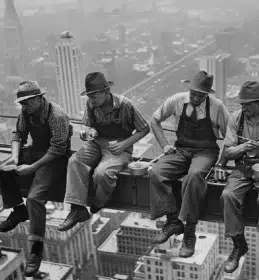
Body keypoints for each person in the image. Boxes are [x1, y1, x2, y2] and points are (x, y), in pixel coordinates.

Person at [149, 70, 230, 258]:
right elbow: (154, 120)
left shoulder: (217, 107)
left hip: (206, 151)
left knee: (194, 177)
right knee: (156, 172)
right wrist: (164, 145)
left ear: (207, 94)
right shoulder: (177, 100)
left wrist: (222, 163)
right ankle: (172, 221)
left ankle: (190, 231)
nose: (194, 97)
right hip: (182, 149)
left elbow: (230, 137)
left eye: (199, 95)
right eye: (192, 93)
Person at [58, 72, 150, 231]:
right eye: (89, 96)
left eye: (94, 95)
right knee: (74, 161)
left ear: (106, 92)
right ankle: (77, 209)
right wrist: (87, 132)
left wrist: (124, 145)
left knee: (102, 173)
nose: (91, 99)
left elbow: (144, 129)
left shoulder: (125, 105)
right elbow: (87, 125)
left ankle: (98, 202)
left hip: (119, 146)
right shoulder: (91, 105)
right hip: (97, 142)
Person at [0, 81, 72, 276]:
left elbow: (58, 149)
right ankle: (18, 209)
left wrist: (32, 167)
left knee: (34, 197)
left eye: (28, 102)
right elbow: (18, 134)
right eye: (22, 103)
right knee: (3, 169)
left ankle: (36, 249)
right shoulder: (26, 113)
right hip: (36, 151)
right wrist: (15, 158)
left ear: (40, 98)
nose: (24, 107)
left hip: (55, 158)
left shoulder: (56, 115)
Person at [216, 81, 259, 279]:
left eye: (248, 104)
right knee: (228, 195)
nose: (244, 108)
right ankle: (239, 244)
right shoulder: (235, 119)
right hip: (242, 167)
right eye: (242, 104)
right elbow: (228, 151)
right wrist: (242, 149)